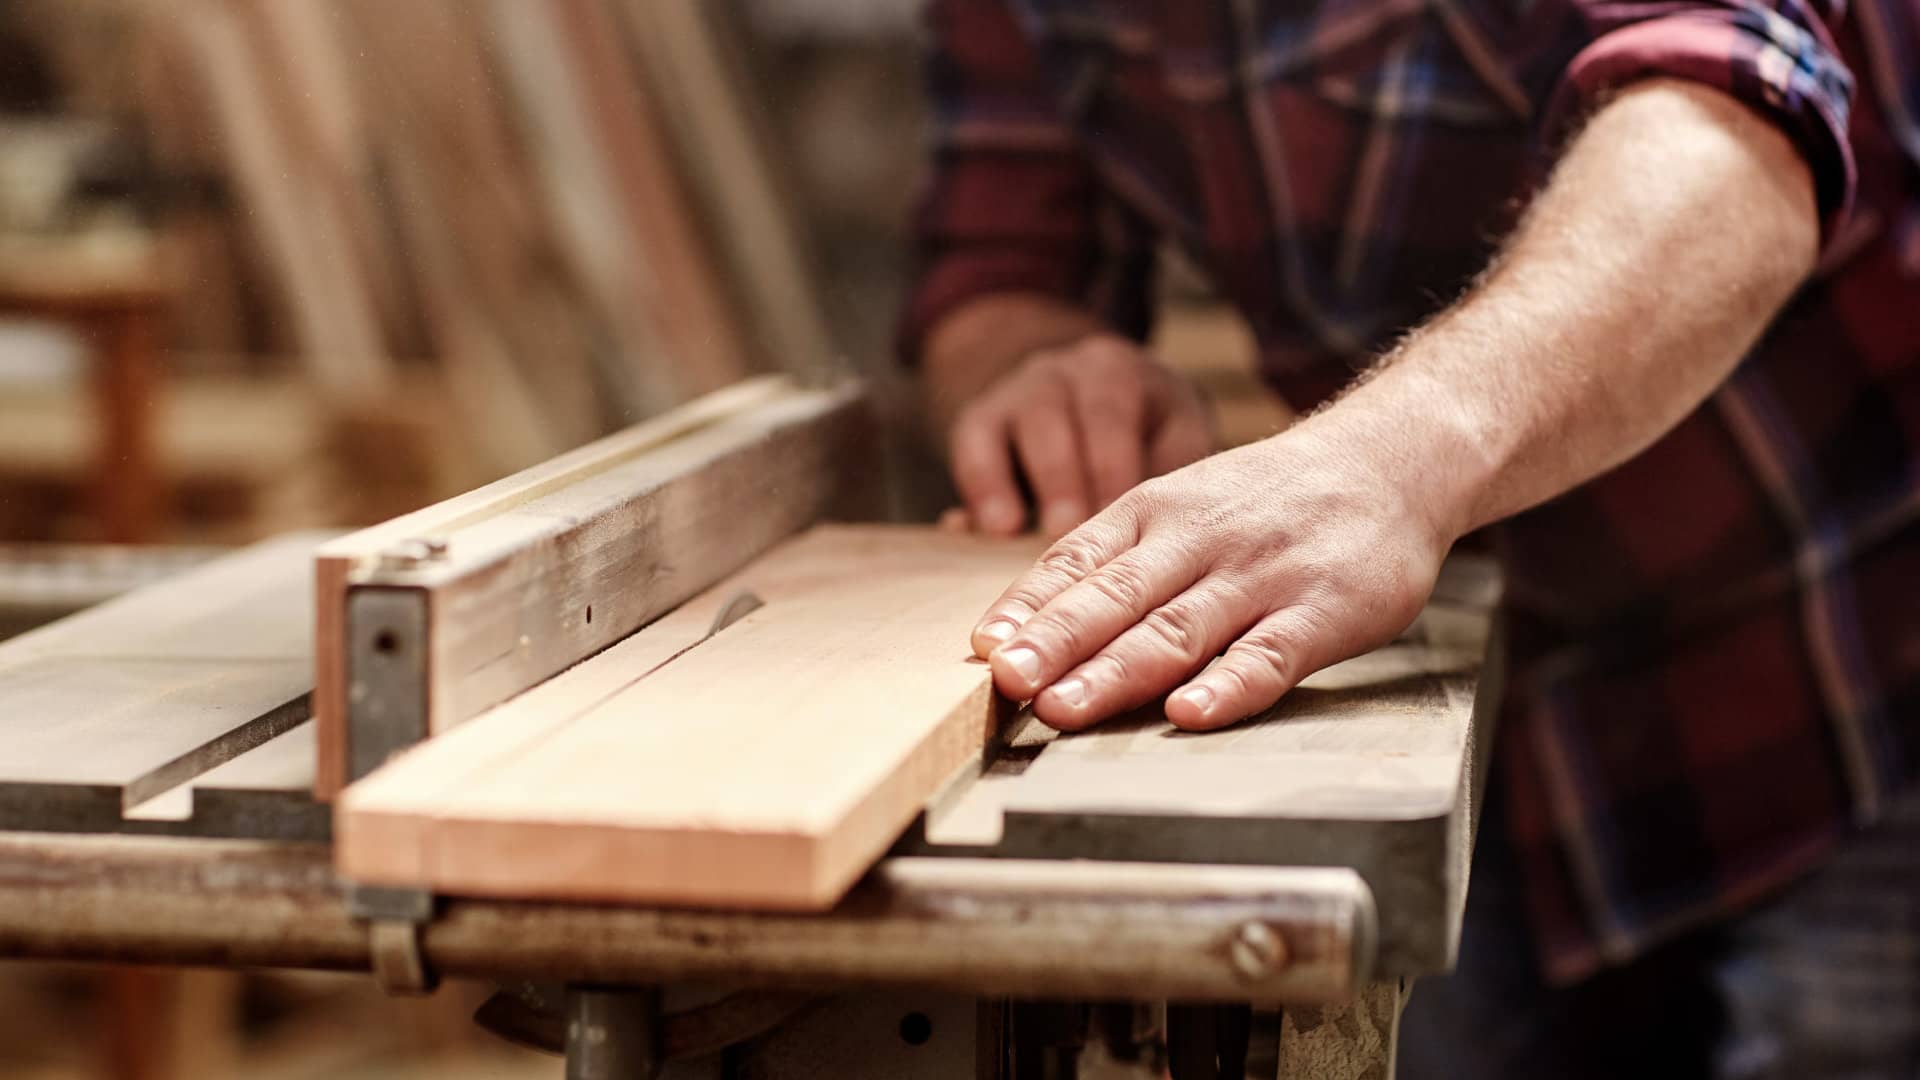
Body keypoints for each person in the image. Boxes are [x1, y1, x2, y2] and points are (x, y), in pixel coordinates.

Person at [902, 1, 1920, 1075]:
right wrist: (1036, 368)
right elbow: (1000, 254)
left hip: (1854, 650)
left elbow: (1737, 119)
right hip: (1502, 697)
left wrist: (1386, 468)